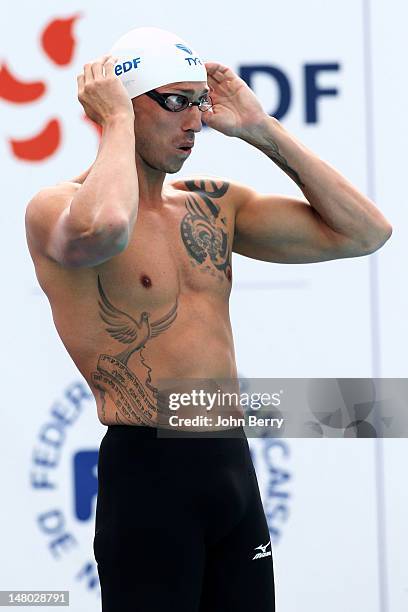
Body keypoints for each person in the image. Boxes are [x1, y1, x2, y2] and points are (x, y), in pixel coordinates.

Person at [24, 26, 392, 612]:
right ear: (120, 102)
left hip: (231, 468)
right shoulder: (56, 210)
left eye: (199, 102)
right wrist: (115, 124)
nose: (194, 121)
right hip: (150, 478)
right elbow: (107, 229)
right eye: (174, 102)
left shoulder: (211, 206)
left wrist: (262, 131)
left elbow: (365, 232)